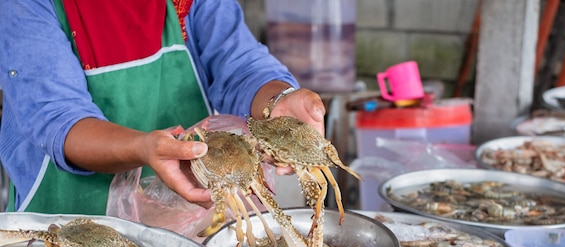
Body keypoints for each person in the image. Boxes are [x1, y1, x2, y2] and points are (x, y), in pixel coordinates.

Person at [0, 0, 325, 215]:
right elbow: (60, 120)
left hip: (188, 225)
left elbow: (240, 67)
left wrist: (277, 102)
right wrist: (143, 149)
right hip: (67, 228)